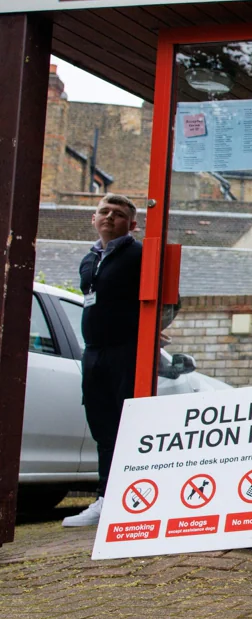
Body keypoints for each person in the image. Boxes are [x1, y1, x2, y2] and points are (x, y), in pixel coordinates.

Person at [62, 194, 143, 528]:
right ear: (93, 219)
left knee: (127, 427)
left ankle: (129, 498)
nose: (110, 217)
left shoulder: (138, 255)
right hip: (94, 353)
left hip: (126, 352)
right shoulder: (89, 259)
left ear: (132, 224)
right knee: (103, 428)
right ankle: (105, 499)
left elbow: (169, 299)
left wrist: (153, 330)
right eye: (104, 212)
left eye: (119, 214)